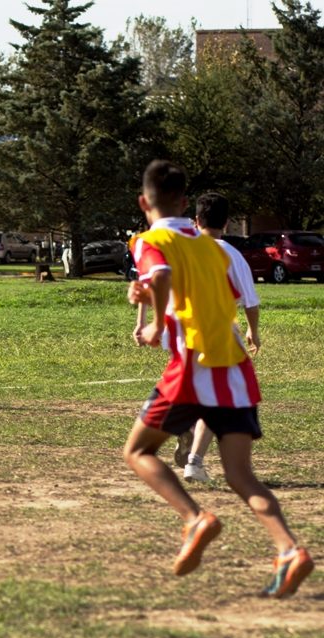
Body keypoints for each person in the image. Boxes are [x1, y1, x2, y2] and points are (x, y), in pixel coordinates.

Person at [124, 159, 312, 598]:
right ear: (186, 203)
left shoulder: (150, 240)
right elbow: (214, 294)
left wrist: (153, 324)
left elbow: (166, 274)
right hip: (237, 368)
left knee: (137, 451)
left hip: (194, 366)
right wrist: (152, 294)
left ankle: (195, 519)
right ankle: (289, 549)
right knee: (241, 477)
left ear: (143, 202)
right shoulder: (214, 248)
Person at [176, 192, 262, 482]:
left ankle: (186, 425)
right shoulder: (230, 253)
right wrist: (253, 331)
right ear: (226, 222)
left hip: (183, 335)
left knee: (200, 393)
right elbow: (250, 300)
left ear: (196, 220)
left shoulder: (183, 250)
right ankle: (195, 460)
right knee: (221, 399)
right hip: (219, 337)